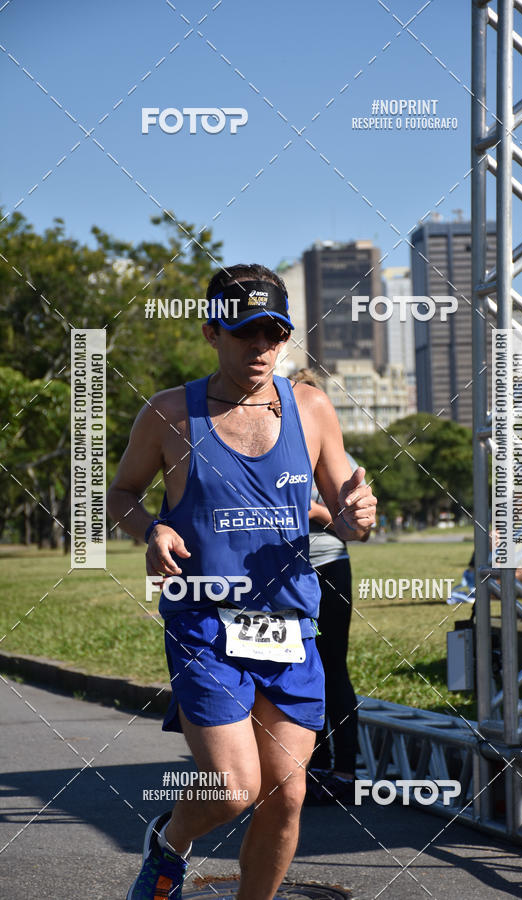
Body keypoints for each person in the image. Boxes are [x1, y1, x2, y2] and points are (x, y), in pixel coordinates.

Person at [107, 263, 377, 900]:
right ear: (211, 334)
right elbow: (118, 494)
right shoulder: (170, 413)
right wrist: (151, 529)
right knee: (231, 790)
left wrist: (359, 515)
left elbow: (345, 508)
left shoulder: (311, 407)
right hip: (204, 621)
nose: (261, 348)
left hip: (288, 626)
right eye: (246, 333)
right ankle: (170, 842)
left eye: (273, 334)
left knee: (287, 796)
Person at [292, 369, 365, 805]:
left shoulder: (340, 454)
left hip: (328, 568)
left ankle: (345, 771)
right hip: (283, 576)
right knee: (299, 670)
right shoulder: (271, 446)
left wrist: (319, 513)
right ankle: (312, 764)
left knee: (332, 667)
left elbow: (362, 531)